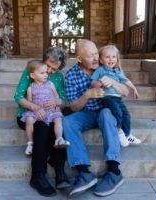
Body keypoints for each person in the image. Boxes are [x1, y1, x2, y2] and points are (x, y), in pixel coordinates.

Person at [63, 39, 127, 197]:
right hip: (87, 113)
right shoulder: (71, 75)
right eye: (90, 56)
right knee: (68, 121)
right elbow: (73, 107)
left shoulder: (108, 67)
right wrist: (87, 95)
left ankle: (114, 171)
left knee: (106, 114)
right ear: (79, 59)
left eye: (96, 54)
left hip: (107, 112)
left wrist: (114, 83)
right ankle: (84, 172)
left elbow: (126, 92)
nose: (95, 58)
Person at [14, 47, 70, 197]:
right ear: (43, 60)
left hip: (50, 113)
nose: (50, 71)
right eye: (48, 66)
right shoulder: (31, 71)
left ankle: (59, 171)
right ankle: (37, 175)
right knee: (41, 126)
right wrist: (34, 107)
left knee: (56, 126)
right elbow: (18, 96)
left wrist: (57, 101)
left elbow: (63, 99)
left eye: (54, 68)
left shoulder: (58, 77)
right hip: (29, 114)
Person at [91, 44, 141, 147]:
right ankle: (119, 131)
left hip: (118, 97)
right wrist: (99, 84)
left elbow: (126, 81)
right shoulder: (100, 70)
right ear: (101, 60)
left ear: (117, 59)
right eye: (107, 57)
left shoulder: (117, 71)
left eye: (113, 57)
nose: (111, 59)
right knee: (117, 112)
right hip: (107, 97)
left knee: (126, 114)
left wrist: (134, 88)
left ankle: (127, 134)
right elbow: (92, 82)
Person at [21, 60, 70, 156]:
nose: (46, 75)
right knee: (29, 120)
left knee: (58, 119)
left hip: (51, 110)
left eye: (46, 73)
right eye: (42, 73)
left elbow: (57, 97)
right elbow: (30, 103)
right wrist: (34, 110)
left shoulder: (50, 84)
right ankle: (30, 143)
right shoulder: (30, 88)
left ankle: (59, 139)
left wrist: (56, 104)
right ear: (32, 76)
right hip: (39, 112)